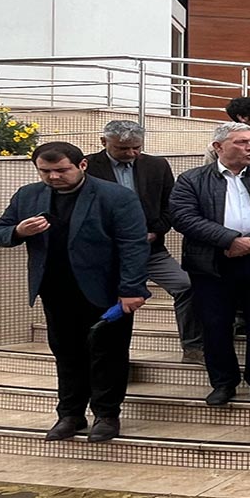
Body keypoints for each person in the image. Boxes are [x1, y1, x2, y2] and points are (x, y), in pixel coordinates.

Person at [0, 142, 150, 443]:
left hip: (105, 291)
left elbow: (134, 245)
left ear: (82, 165)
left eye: (61, 170)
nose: (53, 177)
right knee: (66, 353)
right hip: (54, 288)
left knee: (108, 354)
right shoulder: (28, 195)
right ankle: (70, 415)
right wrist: (19, 232)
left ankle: (106, 415)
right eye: (45, 171)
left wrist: (131, 289)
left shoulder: (115, 196)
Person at [170, 123, 250, 407]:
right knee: (216, 325)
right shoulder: (191, 180)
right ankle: (223, 383)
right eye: (241, 142)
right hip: (211, 264)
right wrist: (229, 240)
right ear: (218, 147)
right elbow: (184, 217)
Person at [86, 120, 202, 365]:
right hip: (105, 254)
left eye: (136, 148)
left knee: (186, 285)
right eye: (122, 149)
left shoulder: (156, 165)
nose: (131, 154)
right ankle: (111, 361)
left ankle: (193, 347)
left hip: (150, 250)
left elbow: (172, 206)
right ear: (103, 142)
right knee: (109, 302)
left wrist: (156, 231)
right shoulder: (87, 166)